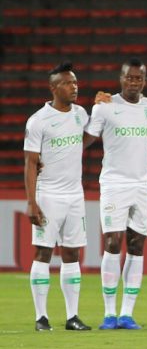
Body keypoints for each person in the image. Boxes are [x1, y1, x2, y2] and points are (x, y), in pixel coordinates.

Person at [86, 59, 147, 330]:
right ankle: (109, 313)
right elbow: (85, 140)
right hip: (113, 184)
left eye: (139, 78)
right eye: (129, 78)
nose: (134, 82)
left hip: (142, 186)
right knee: (112, 242)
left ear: (145, 81)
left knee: (136, 246)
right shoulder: (105, 107)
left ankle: (126, 314)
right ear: (121, 79)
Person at [24, 63, 91, 332]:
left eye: (75, 82)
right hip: (49, 194)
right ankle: (41, 317)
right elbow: (30, 163)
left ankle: (72, 317)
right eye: (67, 83)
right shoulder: (38, 120)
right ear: (53, 88)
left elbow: (86, 137)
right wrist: (31, 201)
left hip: (75, 194)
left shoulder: (81, 114)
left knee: (72, 253)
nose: (73, 87)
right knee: (43, 252)